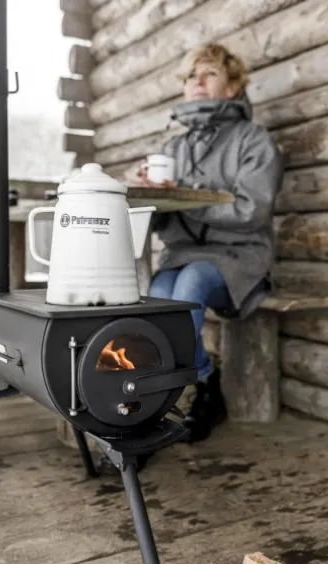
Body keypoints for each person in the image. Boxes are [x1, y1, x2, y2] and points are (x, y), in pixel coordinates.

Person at [95, 43, 284, 475]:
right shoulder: (172, 147)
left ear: (232, 86)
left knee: (190, 287)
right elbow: (162, 223)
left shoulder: (253, 140)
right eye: (190, 77)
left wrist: (188, 200)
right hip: (183, 253)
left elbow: (253, 209)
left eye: (209, 74)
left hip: (238, 254)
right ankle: (202, 379)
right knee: (158, 296)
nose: (197, 82)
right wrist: (149, 195)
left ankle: (144, 413)